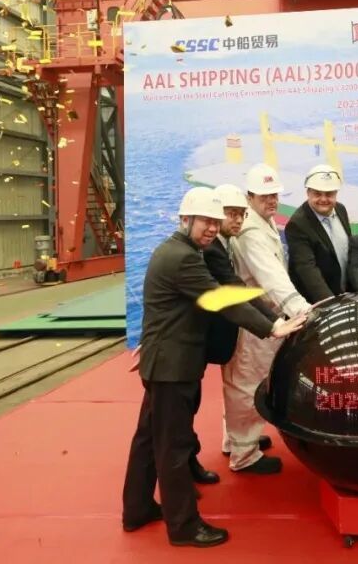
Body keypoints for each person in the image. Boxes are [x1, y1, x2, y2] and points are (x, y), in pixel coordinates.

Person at [122, 187, 305, 548]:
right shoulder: (184, 258)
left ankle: (138, 508)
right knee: (173, 447)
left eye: (214, 222)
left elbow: (164, 305)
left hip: (165, 360)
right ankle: (184, 526)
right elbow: (223, 298)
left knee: (148, 439)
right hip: (174, 366)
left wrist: (151, 340)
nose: (211, 227)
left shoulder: (175, 250)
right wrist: (273, 328)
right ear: (185, 219)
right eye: (204, 221)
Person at [224, 164, 312, 474]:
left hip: (261, 314)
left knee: (246, 380)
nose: (271, 201)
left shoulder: (263, 222)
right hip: (255, 320)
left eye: (274, 195)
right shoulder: (251, 233)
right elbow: (272, 277)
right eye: (264, 196)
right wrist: (301, 309)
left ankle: (235, 440)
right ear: (249, 197)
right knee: (246, 383)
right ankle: (243, 455)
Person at [196, 184, 278, 483]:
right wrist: (274, 322)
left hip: (225, 331)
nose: (238, 220)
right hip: (218, 332)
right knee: (242, 388)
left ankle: (235, 441)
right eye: (231, 214)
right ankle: (244, 455)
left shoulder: (224, 243)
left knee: (236, 386)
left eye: (241, 214)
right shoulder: (214, 250)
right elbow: (237, 290)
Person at [284, 164, 352, 303]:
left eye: (329, 194)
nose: (323, 199)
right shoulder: (297, 225)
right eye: (317, 193)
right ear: (308, 193)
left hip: (344, 296)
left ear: (336, 193)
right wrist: (331, 304)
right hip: (317, 303)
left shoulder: (341, 210)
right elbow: (308, 271)